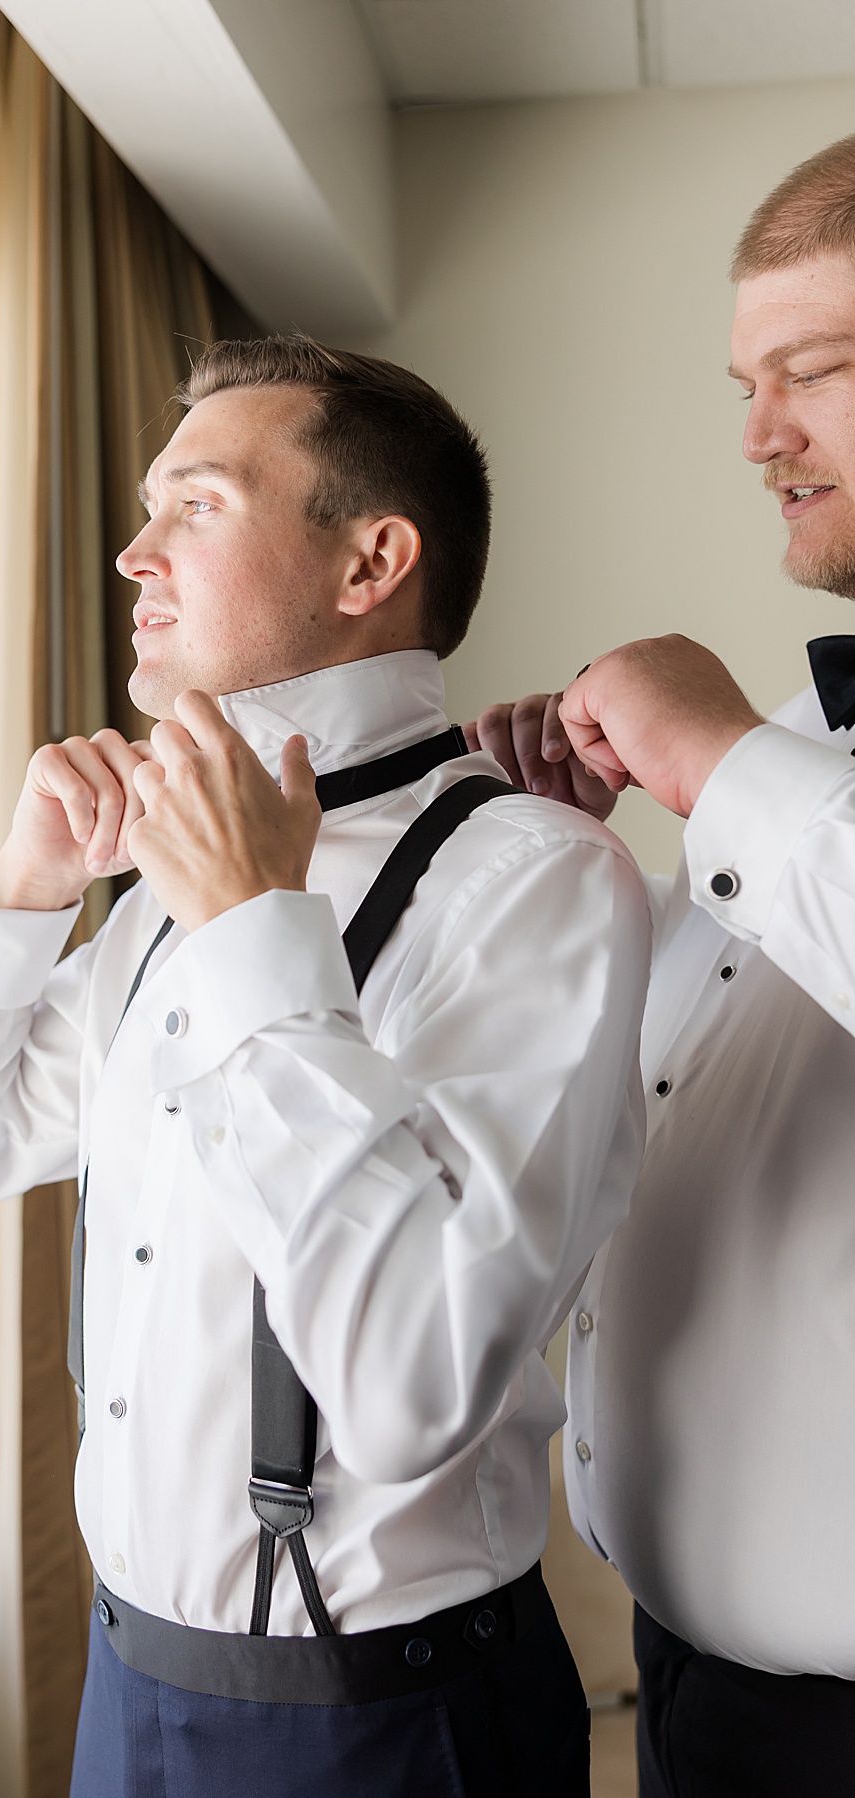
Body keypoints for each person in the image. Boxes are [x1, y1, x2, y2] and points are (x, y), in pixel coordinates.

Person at [0, 338, 650, 1795]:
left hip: (380, 1722)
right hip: (124, 1685)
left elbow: (416, 1384)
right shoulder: (159, 885)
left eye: (197, 506)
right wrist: (29, 887)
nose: (131, 551)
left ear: (370, 562)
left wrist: (254, 931)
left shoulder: (539, 882)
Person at [466, 134, 855, 1798]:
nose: (758, 435)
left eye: (813, 372)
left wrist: (713, 759)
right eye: (743, 383)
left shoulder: (763, 769)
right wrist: (601, 884)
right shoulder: (792, 757)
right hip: (696, 1694)